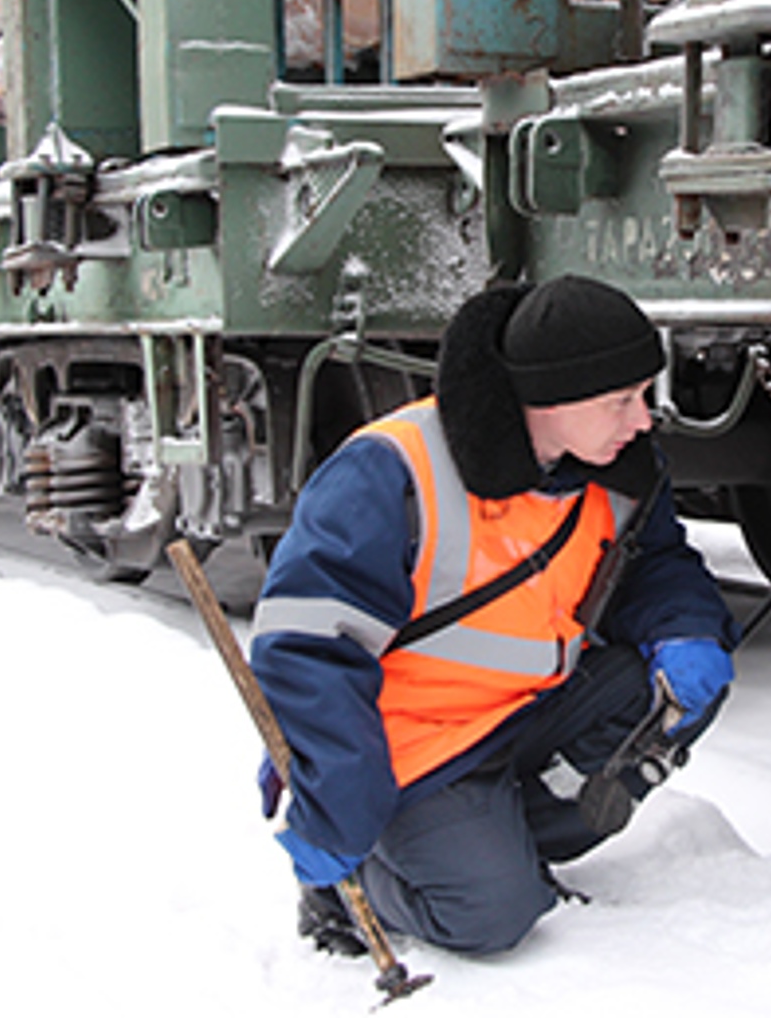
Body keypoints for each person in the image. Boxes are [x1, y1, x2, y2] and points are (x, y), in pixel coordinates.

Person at [248, 274, 739, 957]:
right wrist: (338, 803)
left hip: (522, 714)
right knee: (491, 915)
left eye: (643, 397)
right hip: (411, 749)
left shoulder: (617, 465)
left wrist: (686, 628)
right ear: (550, 398)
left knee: (667, 694)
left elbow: (653, 564)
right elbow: (306, 650)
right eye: (621, 401)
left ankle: (496, 845)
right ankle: (360, 879)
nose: (643, 419)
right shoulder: (391, 470)